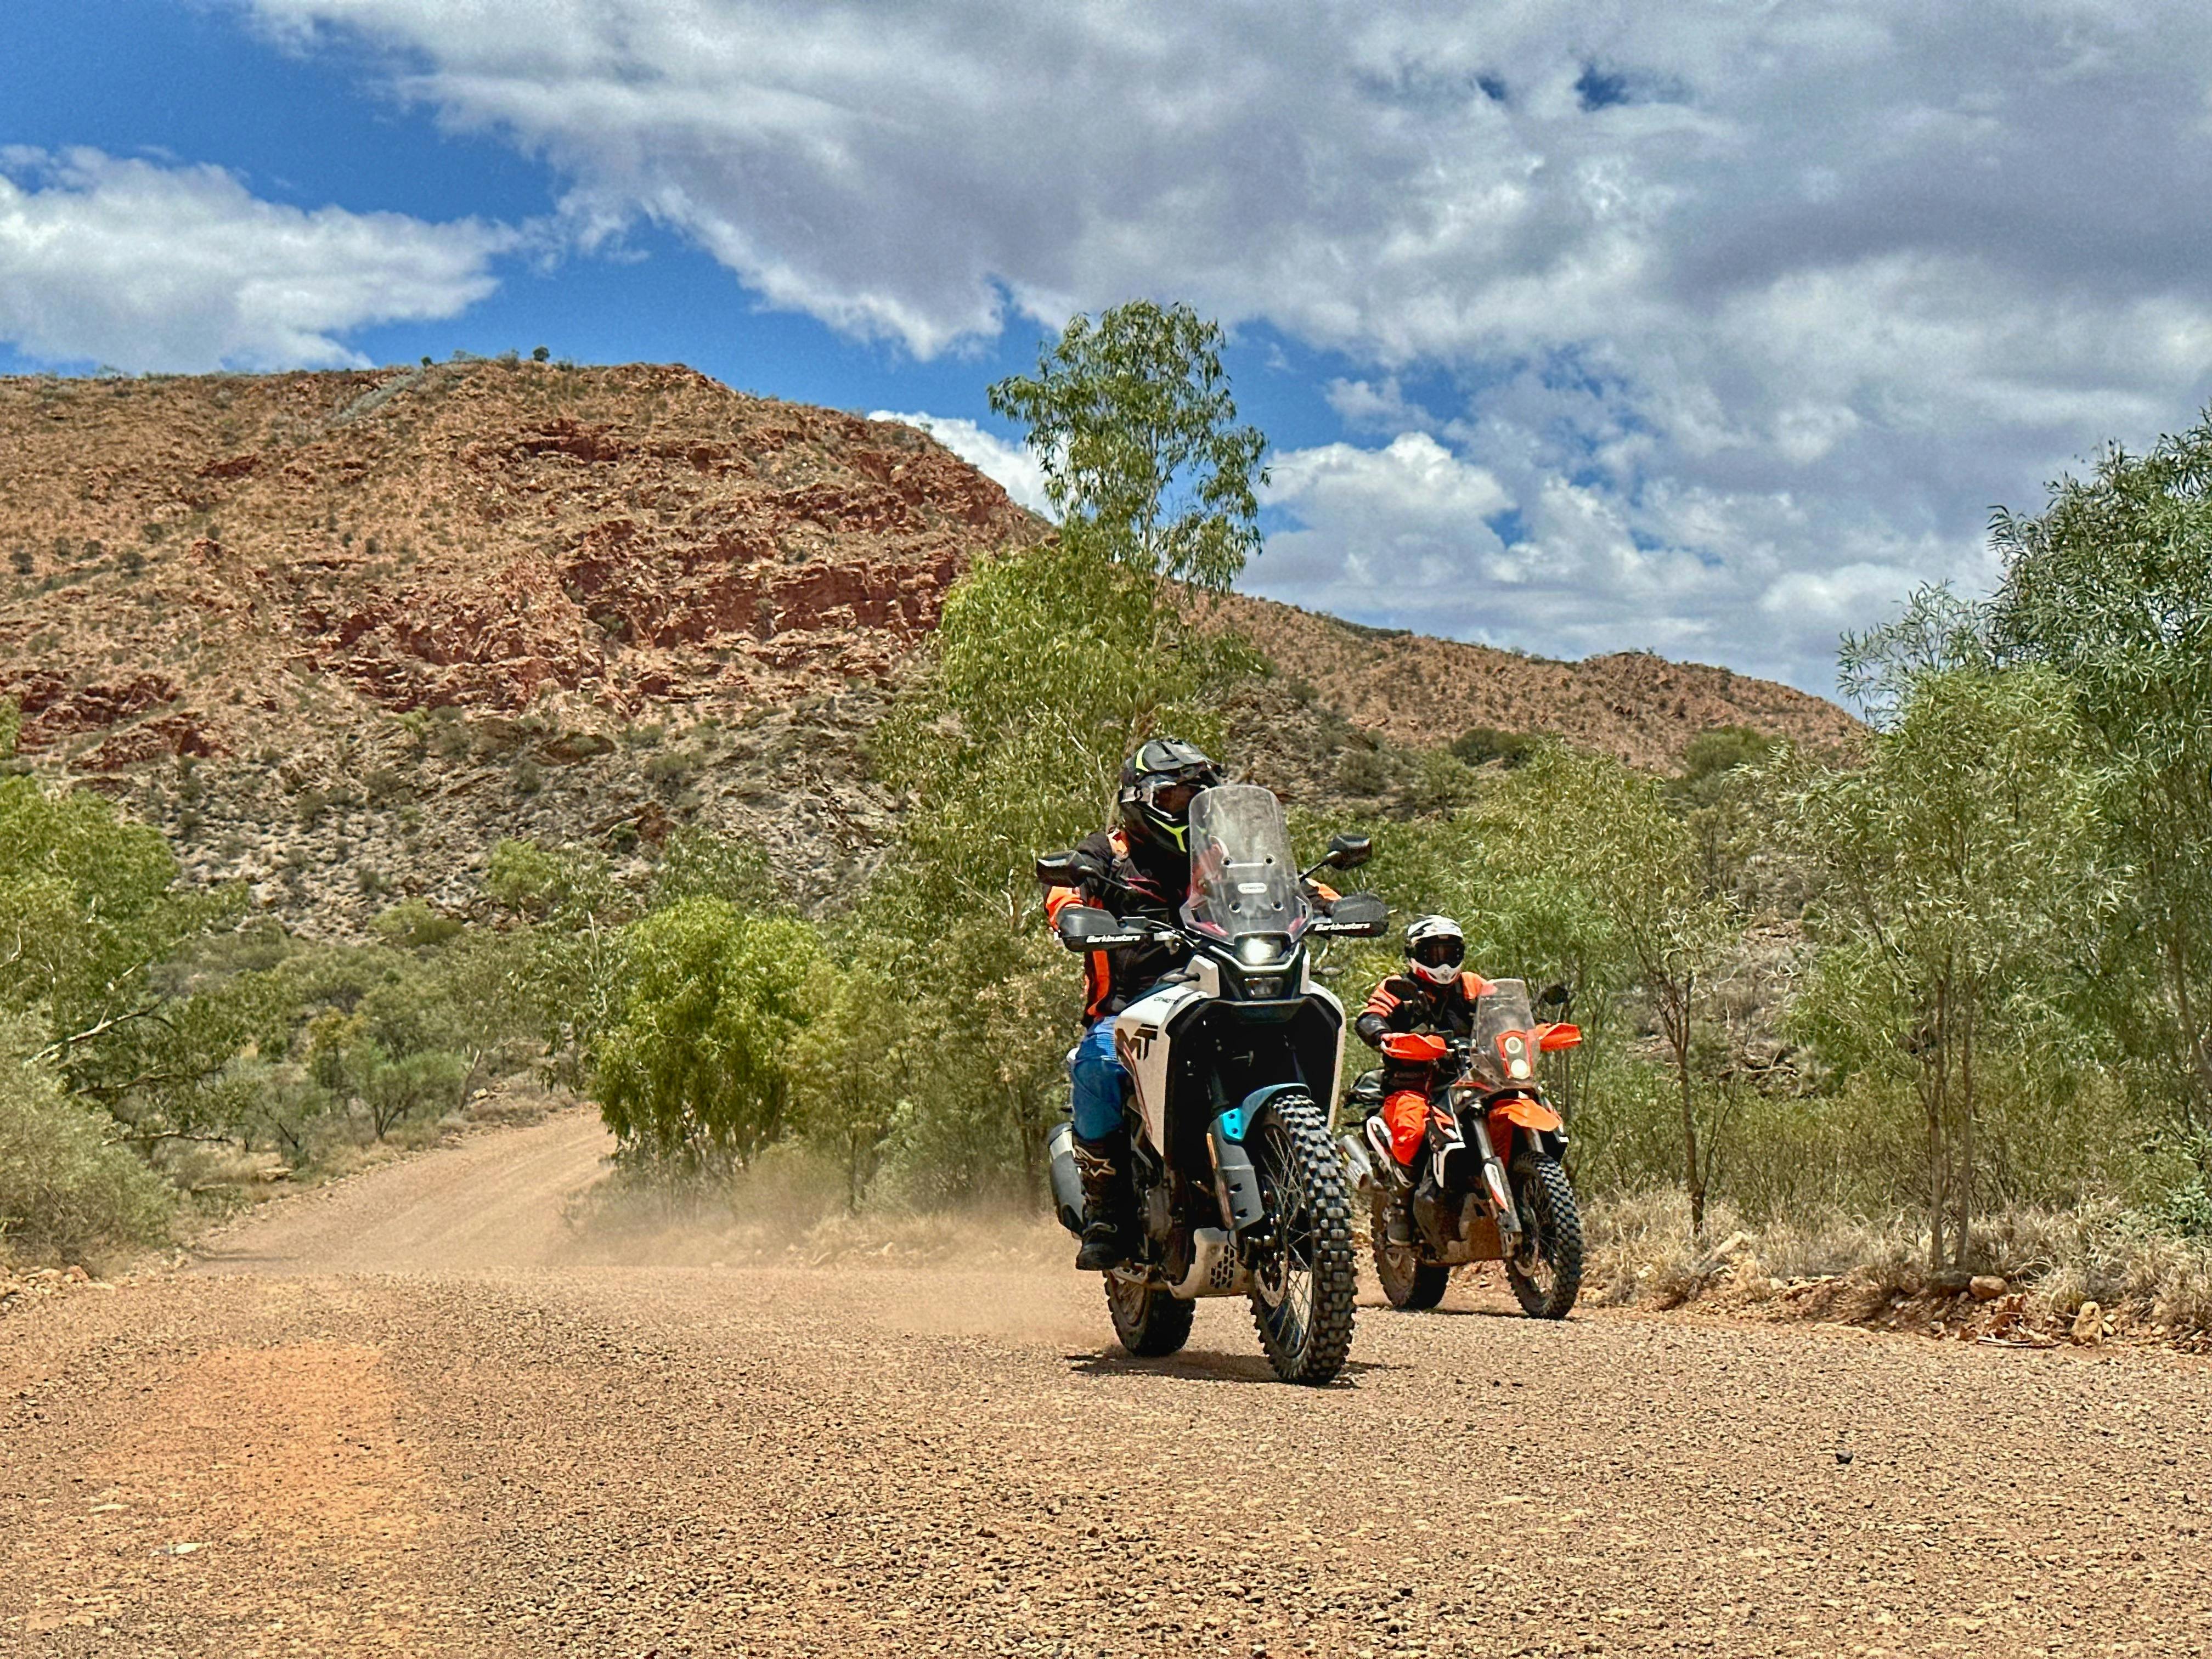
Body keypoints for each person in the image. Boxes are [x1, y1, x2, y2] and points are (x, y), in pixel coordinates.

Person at [1042, 738, 1223, 1269]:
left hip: (1215, 987)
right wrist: (1073, 914)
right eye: (1174, 799)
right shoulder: (1107, 852)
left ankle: (1299, 1174)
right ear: (1140, 799)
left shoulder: (1217, 857)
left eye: (1196, 800)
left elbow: (1281, 890)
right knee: (1097, 1064)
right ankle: (1108, 1211)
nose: (1186, 810)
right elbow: (1066, 891)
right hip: (1132, 1002)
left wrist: (1321, 904)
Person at [1354, 916, 1491, 1239]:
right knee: (1412, 1131)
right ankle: (1401, 1202)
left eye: (1450, 953)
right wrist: (1381, 1034)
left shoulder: (1472, 984)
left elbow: (1503, 1009)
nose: (1443, 962)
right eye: (1434, 954)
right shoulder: (1397, 988)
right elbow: (1371, 1015)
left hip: (1471, 1081)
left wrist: (1526, 1025)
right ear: (1416, 955)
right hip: (1414, 1084)